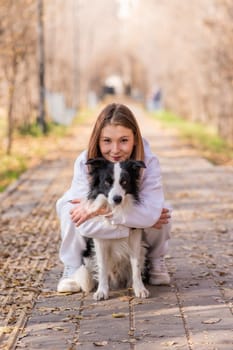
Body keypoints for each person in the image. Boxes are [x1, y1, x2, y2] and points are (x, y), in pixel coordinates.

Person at [56, 103, 172, 293]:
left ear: (135, 139)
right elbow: (83, 223)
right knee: (67, 206)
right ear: (97, 140)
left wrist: (103, 212)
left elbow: (151, 214)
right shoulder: (85, 162)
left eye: (124, 140)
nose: (115, 149)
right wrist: (137, 223)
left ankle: (155, 261)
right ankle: (73, 266)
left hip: (122, 218)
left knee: (163, 212)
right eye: (107, 141)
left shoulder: (148, 161)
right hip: (122, 225)